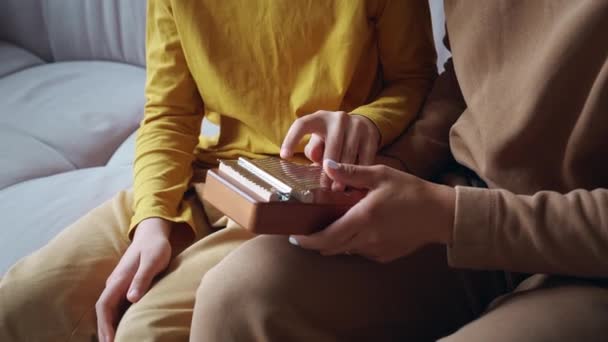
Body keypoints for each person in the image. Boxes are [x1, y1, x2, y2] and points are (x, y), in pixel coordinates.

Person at [0, 1, 436, 341]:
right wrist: (152, 219)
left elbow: (415, 79)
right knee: (21, 303)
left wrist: (369, 122)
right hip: (206, 176)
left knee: (148, 331)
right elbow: (169, 113)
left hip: (305, 188)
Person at [190, 1, 608, 341]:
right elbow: (466, 82)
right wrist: (395, 163)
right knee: (236, 299)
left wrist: (448, 216)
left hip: (586, 257)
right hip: (469, 199)